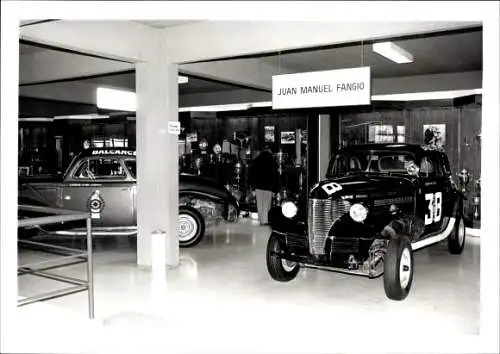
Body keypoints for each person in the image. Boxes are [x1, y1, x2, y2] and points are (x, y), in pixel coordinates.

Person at [249, 144, 278, 225]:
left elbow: (252, 174)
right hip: (268, 186)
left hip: (258, 186)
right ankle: (265, 222)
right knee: (266, 206)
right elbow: (274, 175)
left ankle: (261, 221)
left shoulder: (256, 160)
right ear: (269, 151)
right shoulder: (272, 161)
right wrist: (275, 189)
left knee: (260, 205)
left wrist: (253, 187)